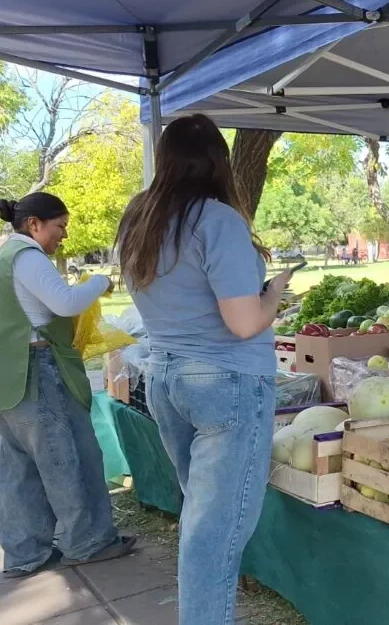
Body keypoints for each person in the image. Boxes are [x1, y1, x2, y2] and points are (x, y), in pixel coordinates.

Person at [117, 114, 288, 624]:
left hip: (167, 376)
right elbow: (243, 323)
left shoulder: (139, 218)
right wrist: (274, 294)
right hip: (226, 382)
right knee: (213, 536)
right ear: (219, 161)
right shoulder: (217, 220)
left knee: (202, 521)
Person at [0, 193, 136, 578]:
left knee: (15, 469)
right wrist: (98, 282)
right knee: (67, 457)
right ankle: (88, 541)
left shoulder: (3, 258)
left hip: (7, 374)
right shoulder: (26, 257)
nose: (63, 235)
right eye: (59, 226)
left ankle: (28, 551)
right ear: (33, 224)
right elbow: (64, 303)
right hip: (38, 369)